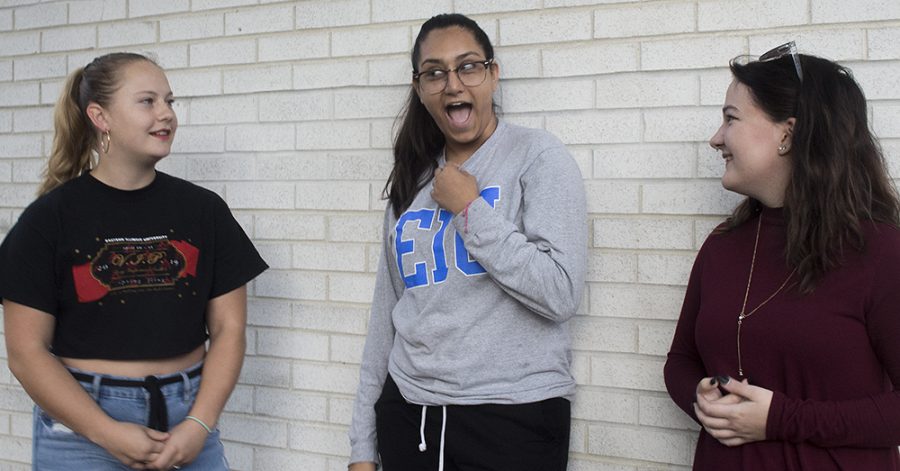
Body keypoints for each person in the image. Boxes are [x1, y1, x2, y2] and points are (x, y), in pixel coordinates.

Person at [0, 52, 268, 470]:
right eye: (148, 101)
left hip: (188, 422)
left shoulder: (204, 211)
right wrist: (106, 432)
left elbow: (229, 329)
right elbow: (26, 352)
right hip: (82, 432)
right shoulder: (49, 219)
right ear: (100, 116)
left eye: (169, 102)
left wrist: (198, 423)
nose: (166, 114)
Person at [347, 13, 586, 471]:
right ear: (420, 88)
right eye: (435, 72)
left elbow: (559, 293)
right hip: (410, 417)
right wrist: (362, 447)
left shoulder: (538, 158)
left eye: (468, 66)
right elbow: (386, 315)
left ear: (493, 75)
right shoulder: (411, 183)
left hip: (513, 419)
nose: (453, 84)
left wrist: (469, 209)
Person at [664, 41, 900, 470]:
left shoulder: (881, 253)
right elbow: (680, 361)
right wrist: (700, 397)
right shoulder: (722, 245)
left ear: (787, 133)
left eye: (731, 118)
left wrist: (780, 420)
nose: (716, 139)